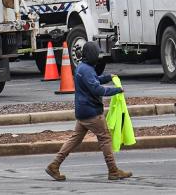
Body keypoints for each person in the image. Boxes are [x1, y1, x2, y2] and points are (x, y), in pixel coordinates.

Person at [46, 42, 132, 182]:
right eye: (96, 54)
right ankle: (113, 171)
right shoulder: (87, 69)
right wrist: (117, 90)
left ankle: (54, 165)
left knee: (75, 139)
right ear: (92, 55)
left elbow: (94, 81)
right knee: (105, 138)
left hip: (82, 112)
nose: (98, 56)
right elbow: (97, 89)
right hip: (92, 112)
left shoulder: (82, 67)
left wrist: (108, 77)